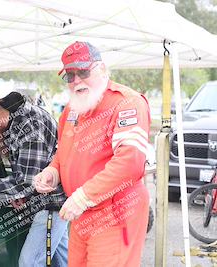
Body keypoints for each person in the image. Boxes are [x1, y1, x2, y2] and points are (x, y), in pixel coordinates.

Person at [34, 41, 151, 267]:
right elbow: (64, 154)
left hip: (115, 214)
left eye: (83, 71)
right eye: (70, 75)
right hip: (81, 213)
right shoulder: (71, 110)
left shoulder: (127, 103)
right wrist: (53, 171)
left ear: (102, 69)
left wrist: (82, 196)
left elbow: (130, 163)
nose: (76, 80)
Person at [0, 91, 69, 267]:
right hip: (48, 200)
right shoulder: (12, 121)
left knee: (29, 263)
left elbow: (24, 182)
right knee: (63, 261)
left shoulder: (30, 127)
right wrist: (19, 193)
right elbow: (28, 176)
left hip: (51, 204)